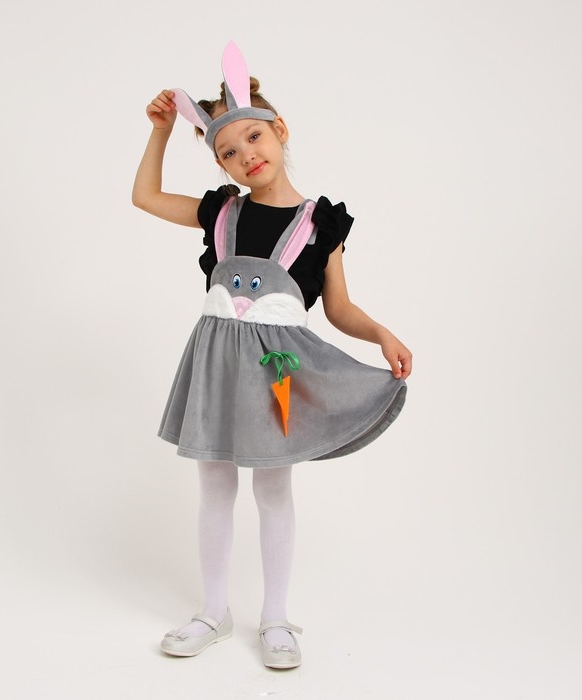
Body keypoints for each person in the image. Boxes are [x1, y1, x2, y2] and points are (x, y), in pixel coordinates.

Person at [131, 41, 412, 670]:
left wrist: (380, 333)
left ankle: (277, 619)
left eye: (254, 137)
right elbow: (145, 197)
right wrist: (161, 132)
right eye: (228, 152)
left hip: (274, 373)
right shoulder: (219, 212)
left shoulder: (321, 224)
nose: (245, 156)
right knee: (213, 483)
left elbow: (338, 308)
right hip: (216, 364)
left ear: (280, 129)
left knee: (273, 486)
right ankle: (213, 611)